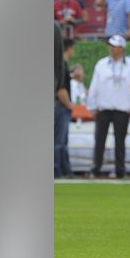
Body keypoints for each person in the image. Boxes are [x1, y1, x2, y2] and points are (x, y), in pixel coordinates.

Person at [87, 35, 130, 178]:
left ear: (121, 48)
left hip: (122, 108)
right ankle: (95, 168)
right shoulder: (101, 64)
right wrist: (92, 106)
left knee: (120, 141)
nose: (111, 48)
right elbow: (94, 86)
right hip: (103, 107)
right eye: (110, 45)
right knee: (99, 140)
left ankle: (120, 170)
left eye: (114, 46)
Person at [55, 27, 75, 178]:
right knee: (59, 142)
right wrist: (69, 106)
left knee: (60, 142)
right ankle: (58, 170)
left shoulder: (60, 64)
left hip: (59, 106)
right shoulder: (61, 65)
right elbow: (60, 89)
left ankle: (64, 169)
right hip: (60, 107)